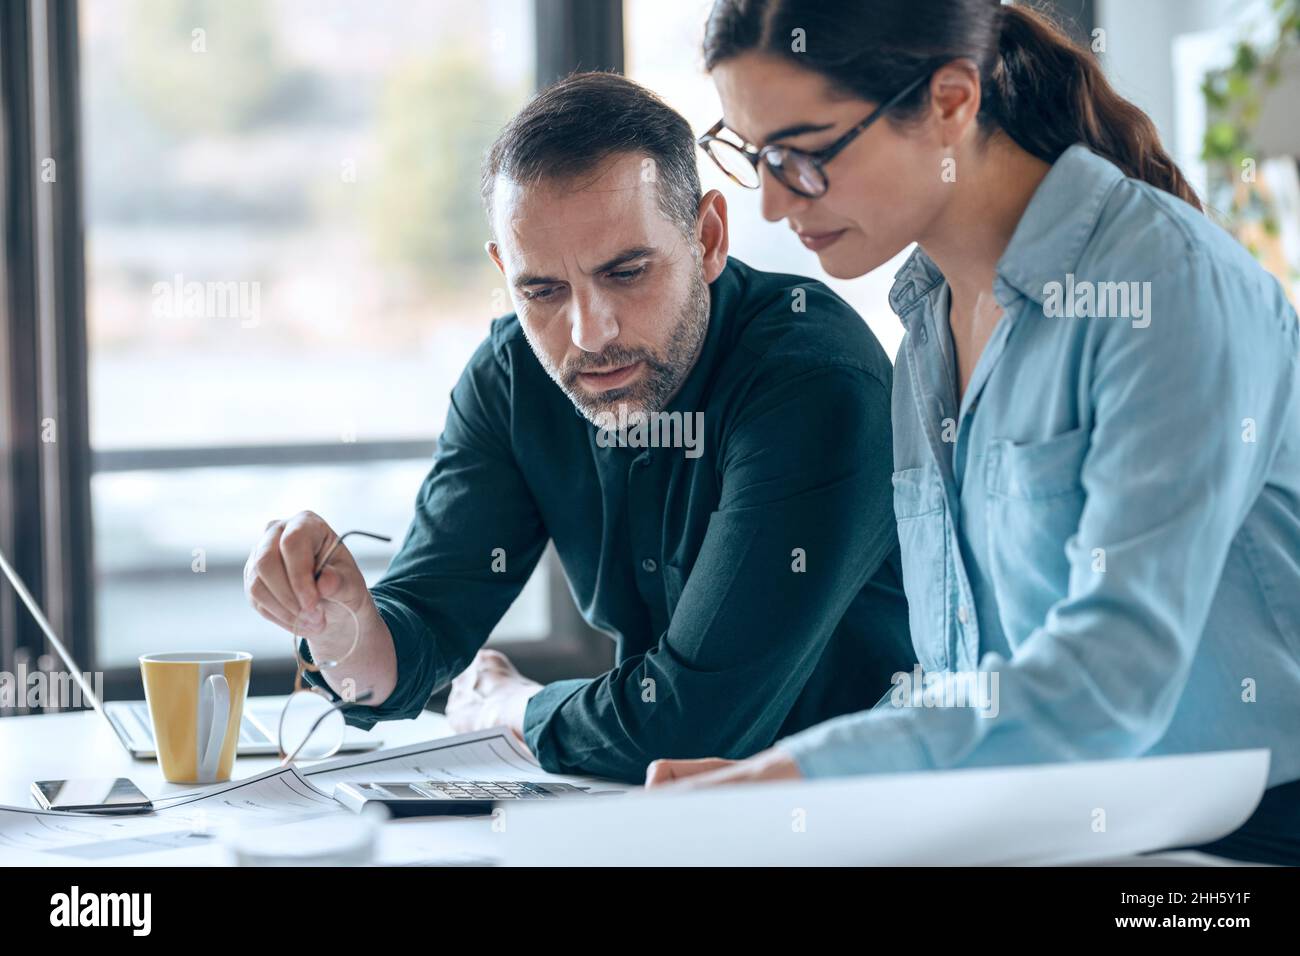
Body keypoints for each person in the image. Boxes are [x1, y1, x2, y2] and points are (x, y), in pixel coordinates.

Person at [646, 0, 1300, 865]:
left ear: (952, 101)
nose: (770, 204)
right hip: (1046, 832)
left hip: (1234, 852)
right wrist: (767, 780)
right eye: (754, 153)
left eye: (804, 155)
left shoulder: (1163, 288)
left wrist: (804, 781)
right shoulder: (926, 327)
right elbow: (972, 690)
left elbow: (1111, 676)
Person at [242, 71, 915, 784]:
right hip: (664, 819)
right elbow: (415, 637)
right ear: (505, 273)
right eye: (542, 290)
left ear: (708, 238)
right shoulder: (512, 378)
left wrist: (507, 706)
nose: (589, 335)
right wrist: (338, 619)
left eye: (627, 273)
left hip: (863, 821)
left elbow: (689, 724)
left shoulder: (813, 383)